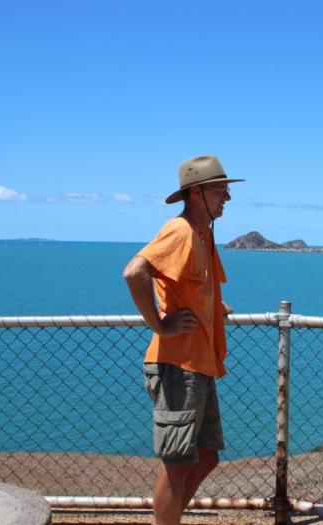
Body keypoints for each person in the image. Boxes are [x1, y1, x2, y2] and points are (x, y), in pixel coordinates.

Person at [123, 155, 243, 525]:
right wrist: (160, 325)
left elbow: (191, 286)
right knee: (177, 465)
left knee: (207, 455)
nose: (227, 197)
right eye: (220, 190)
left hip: (197, 363)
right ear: (196, 193)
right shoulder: (180, 231)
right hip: (177, 365)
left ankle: (170, 517)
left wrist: (212, 308)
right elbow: (134, 272)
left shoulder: (203, 233)